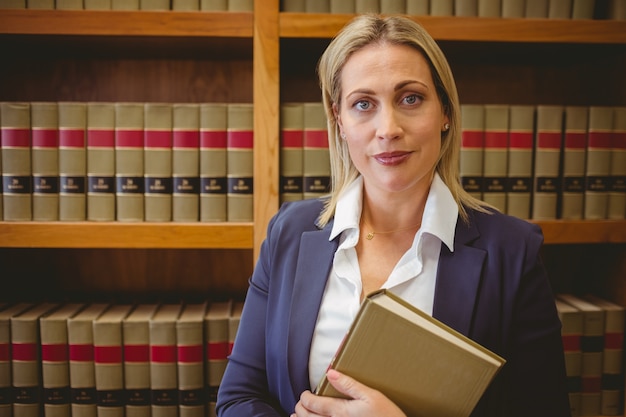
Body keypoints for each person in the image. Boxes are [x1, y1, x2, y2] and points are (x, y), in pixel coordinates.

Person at [216, 14, 571, 417]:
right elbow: (237, 400)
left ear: (445, 112)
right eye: (363, 104)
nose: (388, 128)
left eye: (411, 99)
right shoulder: (289, 231)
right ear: (340, 121)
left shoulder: (514, 251)